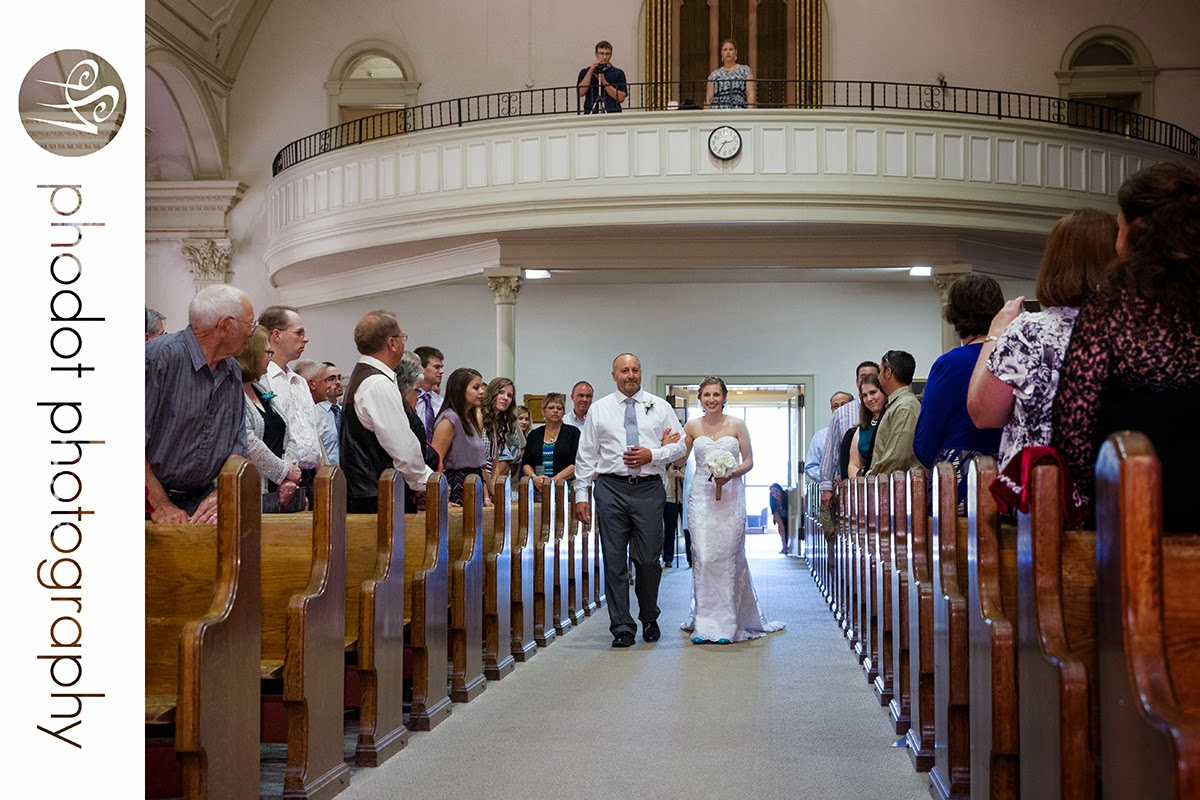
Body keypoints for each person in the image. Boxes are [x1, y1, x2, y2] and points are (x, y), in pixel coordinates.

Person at [1053, 162, 1200, 531]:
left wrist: (1092, 494)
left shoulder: (1110, 309)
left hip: (1127, 506)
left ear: (1136, 231)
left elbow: (1074, 427)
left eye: (1120, 225)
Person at [967, 208, 1117, 469]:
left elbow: (984, 413)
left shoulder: (1030, 331)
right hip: (1112, 477)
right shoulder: (1135, 333)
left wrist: (995, 333)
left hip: (1041, 478)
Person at [574, 354, 686, 648]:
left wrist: (654, 454)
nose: (630, 375)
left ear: (641, 373)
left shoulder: (659, 406)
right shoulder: (600, 409)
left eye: (635, 370)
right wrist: (581, 493)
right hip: (611, 488)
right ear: (614, 375)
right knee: (614, 560)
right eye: (624, 370)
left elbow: (681, 445)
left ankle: (649, 616)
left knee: (648, 559)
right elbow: (586, 454)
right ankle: (622, 626)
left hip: (648, 489)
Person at [676, 376, 785, 644]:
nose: (711, 399)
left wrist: (730, 473)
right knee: (703, 556)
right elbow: (680, 461)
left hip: (731, 495)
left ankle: (726, 623)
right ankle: (704, 621)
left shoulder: (737, 424)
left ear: (724, 397)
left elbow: (749, 461)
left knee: (727, 556)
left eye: (716, 394)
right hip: (701, 497)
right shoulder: (691, 426)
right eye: (706, 395)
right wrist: (670, 442)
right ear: (700, 399)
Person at [145, 285, 253, 523]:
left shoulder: (232, 370)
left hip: (201, 501)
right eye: (250, 324)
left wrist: (221, 493)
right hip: (148, 503)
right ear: (224, 326)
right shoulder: (158, 358)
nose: (252, 332)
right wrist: (160, 505)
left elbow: (238, 447)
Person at [913, 274, 1005, 506]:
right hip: (1007, 479)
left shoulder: (950, 364)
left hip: (960, 481)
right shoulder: (1014, 357)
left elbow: (925, 441)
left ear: (955, 316)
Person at [339, 311, 435, 514]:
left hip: (369, 493)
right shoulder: (377, 383)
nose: (403, 343)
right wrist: (426, 482)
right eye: (402, 338)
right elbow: (402, 446)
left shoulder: (364, 375)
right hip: (379, 498)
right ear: (391, 343)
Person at [259, 305, 324, 506]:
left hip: (310, 477)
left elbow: (314, 434)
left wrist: (323, 477)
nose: (305, 339)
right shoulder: (262, 380)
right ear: (277, 335)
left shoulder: (300, 381)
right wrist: (285, 477)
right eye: (299, 333)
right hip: (280, 479)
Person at [237, 325, 303, 512]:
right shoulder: (233, 392)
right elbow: (249, 442)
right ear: (252, 354)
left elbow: (287, 434)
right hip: (251, 492)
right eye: (267, 352)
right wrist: (283, 472)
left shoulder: (261, 389)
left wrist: (289, 477)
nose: (271, 357)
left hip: (281, 489)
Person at [817, 361, 880, 512]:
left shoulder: (887, 407)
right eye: (863, 377)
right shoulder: (842, 412)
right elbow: (831, 452)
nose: (867, 380)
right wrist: (826, 487)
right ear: (857, 381)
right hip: (850, 482)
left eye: (872, 376)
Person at [431, 366, 490, 506]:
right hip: (458, 483)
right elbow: (437, 460)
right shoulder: (450, 419)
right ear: (460, 390)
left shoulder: (470, 420)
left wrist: (486, 496)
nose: (482, 392)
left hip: (475, 482)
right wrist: (441, 496)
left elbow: (479, 466)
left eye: (481, 387)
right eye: (476, 388)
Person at [395, 351, 440, 512]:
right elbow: (404, 454)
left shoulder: (411, 413)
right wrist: (425, 482)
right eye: (416, 390)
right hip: (402, 489)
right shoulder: (399, 414)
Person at [866, 350, 921, 477]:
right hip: (888, 483)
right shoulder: (896, 405)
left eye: (880, 372)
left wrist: (870, 478)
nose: (878, 377)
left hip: (894, 485)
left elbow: (896, 459)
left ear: (888, 372)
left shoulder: (905, 406)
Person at [520, 392, 579, 499]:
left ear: (564, 412)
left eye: (559, 408)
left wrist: (554, 480)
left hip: (565, 489)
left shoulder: (573, 433)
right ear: (543, 412)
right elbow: (526, 463)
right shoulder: (534, 435)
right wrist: (534, 478)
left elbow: (576, 463)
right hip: (538, 489)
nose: (555, 411)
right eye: (551, 408)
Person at [482, 377, 525, 498]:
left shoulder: (502, 422)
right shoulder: (480, 417)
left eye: (509, 395)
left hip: (496, 482)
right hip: (478, 481)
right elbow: (478, 462)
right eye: (500, 392)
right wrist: (489, 491)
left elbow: (508, 459)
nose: (505, 398)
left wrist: (493, 488)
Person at [847, 374, 887, 479]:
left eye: (873, 392)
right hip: (865, 484)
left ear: (884, 392)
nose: (869, 399)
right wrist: (859, 485)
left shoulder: (893, 422)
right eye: (864, 395)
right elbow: (854, 464)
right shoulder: (862, 429)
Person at [577, 40, 627, 114]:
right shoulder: (585, 72)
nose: (604, 57)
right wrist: (590, 71)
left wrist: (603, 81)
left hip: (612, 112)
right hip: (591, 112)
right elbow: (580, 93)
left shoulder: (618, 73)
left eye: (607, 54)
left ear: (611, 55)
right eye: (601, 53)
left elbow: (621, 98)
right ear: (596, 54)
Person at [705, 39, 755, 109]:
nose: (728, 52)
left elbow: (750, 94)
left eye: (731, 49)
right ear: (721, 53)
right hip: (717, 111)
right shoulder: (714, 75)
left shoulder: (745, 71)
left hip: (737, 111)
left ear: (736, 52)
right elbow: (708, 99)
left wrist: (750, 113)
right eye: (725, 50)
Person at [414, 345, 445, 444]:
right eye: (437, 367)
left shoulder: (441, 402)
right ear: (421, 368)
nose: (441, 371)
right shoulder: (408, 400)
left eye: (441, 367)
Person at [768, 483, 789, 555]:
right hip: (783, 519)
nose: (776, 494)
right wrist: (784, 544)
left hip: (794, 516)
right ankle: (784, 545)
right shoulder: (774, 504)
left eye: (777, 491)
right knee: (783, 525)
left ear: (780, 490)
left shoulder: (788, 496)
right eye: (773, 493)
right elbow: (780, 523)